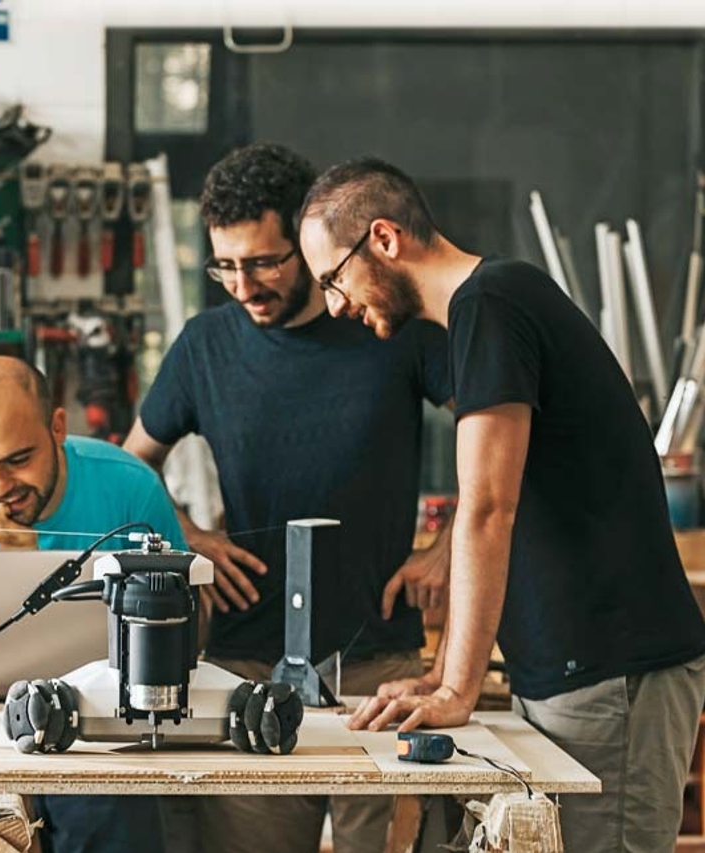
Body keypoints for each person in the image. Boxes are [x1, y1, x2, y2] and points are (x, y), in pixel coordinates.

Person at [298, 156, 705, 853]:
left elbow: (488, 508)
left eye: (334, 278)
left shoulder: (492, 303)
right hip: (578, 675)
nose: (335, 305)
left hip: (614, 674)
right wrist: (446, 672)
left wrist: (458, 686)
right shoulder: (488, 308)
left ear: (385, 239)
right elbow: (487, 508)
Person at [122, 142, 452, 853]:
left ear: (306, 241)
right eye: (226, 266)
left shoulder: (384, 322)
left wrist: (450, 547)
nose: (243, 285)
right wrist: (186, 536)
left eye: (264, 261)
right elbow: (128, 469)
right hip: (246, 663)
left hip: (380, 664)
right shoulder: (205, 345)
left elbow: (500, 435)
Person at [0, 355, 185, 853]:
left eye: (16, 460)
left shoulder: (130, 489)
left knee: (108, 809)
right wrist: (13, 559)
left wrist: (25, 557)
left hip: (108, 731)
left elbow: (178, 637)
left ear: (58, 428)